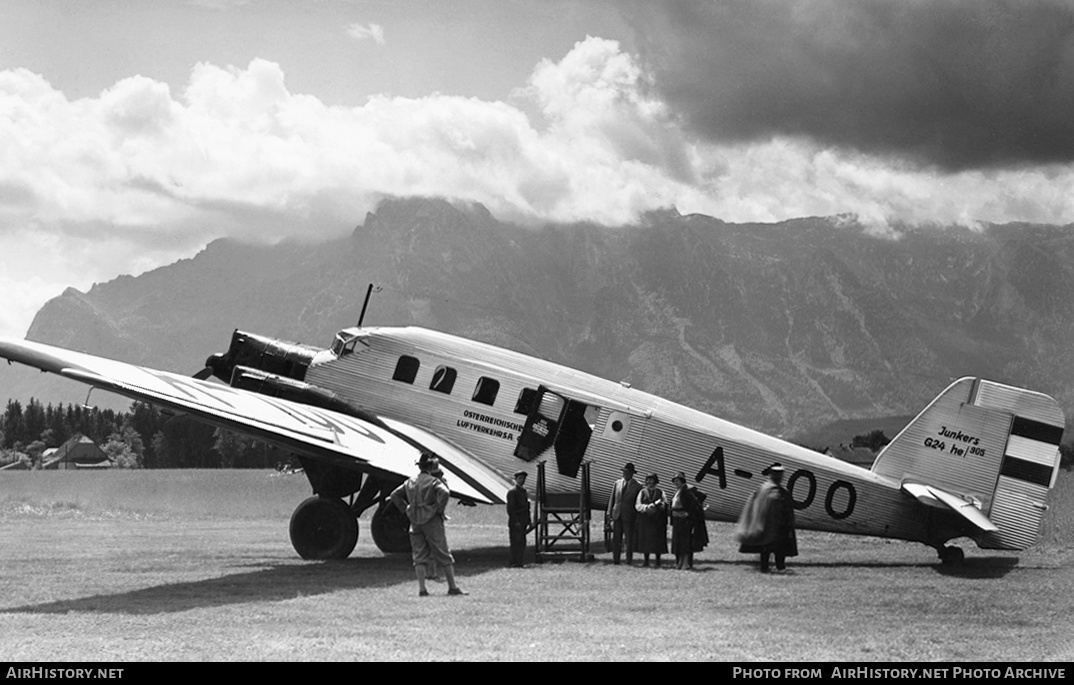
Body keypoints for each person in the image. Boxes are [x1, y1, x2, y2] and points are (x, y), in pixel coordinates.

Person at [389, 452, 468, 596]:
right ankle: (452, 587)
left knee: (419, 555)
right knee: (443, 552)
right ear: (431, 467)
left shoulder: (410, 481)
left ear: (419, 467)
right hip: (431, 519)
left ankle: (422, 589)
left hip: (415, 520)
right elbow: (445, 493)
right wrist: (438, 509)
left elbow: (394, 495)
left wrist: (406, 508)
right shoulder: (433, 481)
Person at [735, 462, 798, 573]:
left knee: (779, 547)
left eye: (780, 474)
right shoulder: (766, 489)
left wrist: (789, 522)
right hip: (767, 524)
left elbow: (788, 508)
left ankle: (780, 567)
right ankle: (765, 567)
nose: (779, 477)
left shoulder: (780, 491)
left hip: (779, 524)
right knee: (766, 547)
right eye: (777, 474)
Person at [607, 462, 642, 565]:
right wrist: (609, 512)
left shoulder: (638, 486)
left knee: (629, 539)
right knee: (616, 538)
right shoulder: (617, 483)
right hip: (617, 513)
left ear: (632, 473)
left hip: (629, 515)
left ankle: (628, 560)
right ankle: (616, 559)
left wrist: (637, 517)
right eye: (624, 472)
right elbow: (612, 499)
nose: (625, 474)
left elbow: (638, 502)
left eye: (627, 472)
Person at [669, 472, 704, 570]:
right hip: (677, 521)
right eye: (674, 481)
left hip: (685, 521)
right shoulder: (677, 491)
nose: (676, 483)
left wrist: (687, 514)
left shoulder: (686, 491)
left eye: (677, 481)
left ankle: (686, 563)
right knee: (678, 542)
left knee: (685, 542)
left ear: (682, 481)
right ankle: (679, 562)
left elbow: (693, 506)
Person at [634, 473, 667, 568]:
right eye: (647, 480)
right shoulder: (642, 492)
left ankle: (658, 561)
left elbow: (665, 503)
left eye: (651, 480)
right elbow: (637, 505)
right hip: (645, 520)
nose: (649, 482)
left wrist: (660, 506)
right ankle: (646, 561)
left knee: (657, 540)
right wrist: (646, 507)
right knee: (646, 539)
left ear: (655, 481)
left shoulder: (661, 492)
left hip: (657, 520)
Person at [507, 470, 532, 567]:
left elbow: (527, 507)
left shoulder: (523, 491)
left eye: (524, 478)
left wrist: (529, 520)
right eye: (520, 478)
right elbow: (511, 509)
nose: (522, 480)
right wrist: (515, 521)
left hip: (523, 520)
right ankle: (514, 562)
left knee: (522, 542)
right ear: (515, 479)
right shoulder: (512, 492)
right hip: (516, 521)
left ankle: (520, 561)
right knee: (515, 542)